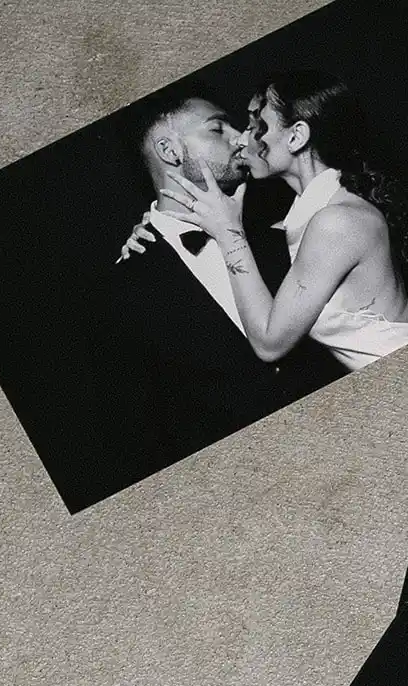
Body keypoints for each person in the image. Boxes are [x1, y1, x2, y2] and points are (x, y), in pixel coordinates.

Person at [121, 73, 408, 369]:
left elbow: (269, 343)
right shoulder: (295, 223)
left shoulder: (336, 222)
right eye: (223, 128)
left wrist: (229, 234)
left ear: (296, 136)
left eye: (255, 125)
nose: (242, 138)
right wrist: (158, 228)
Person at [87, 82, 342, 489]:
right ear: (170, 152)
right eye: (217, 128)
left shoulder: (291, 234)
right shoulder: (122, 291)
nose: (241, 137)